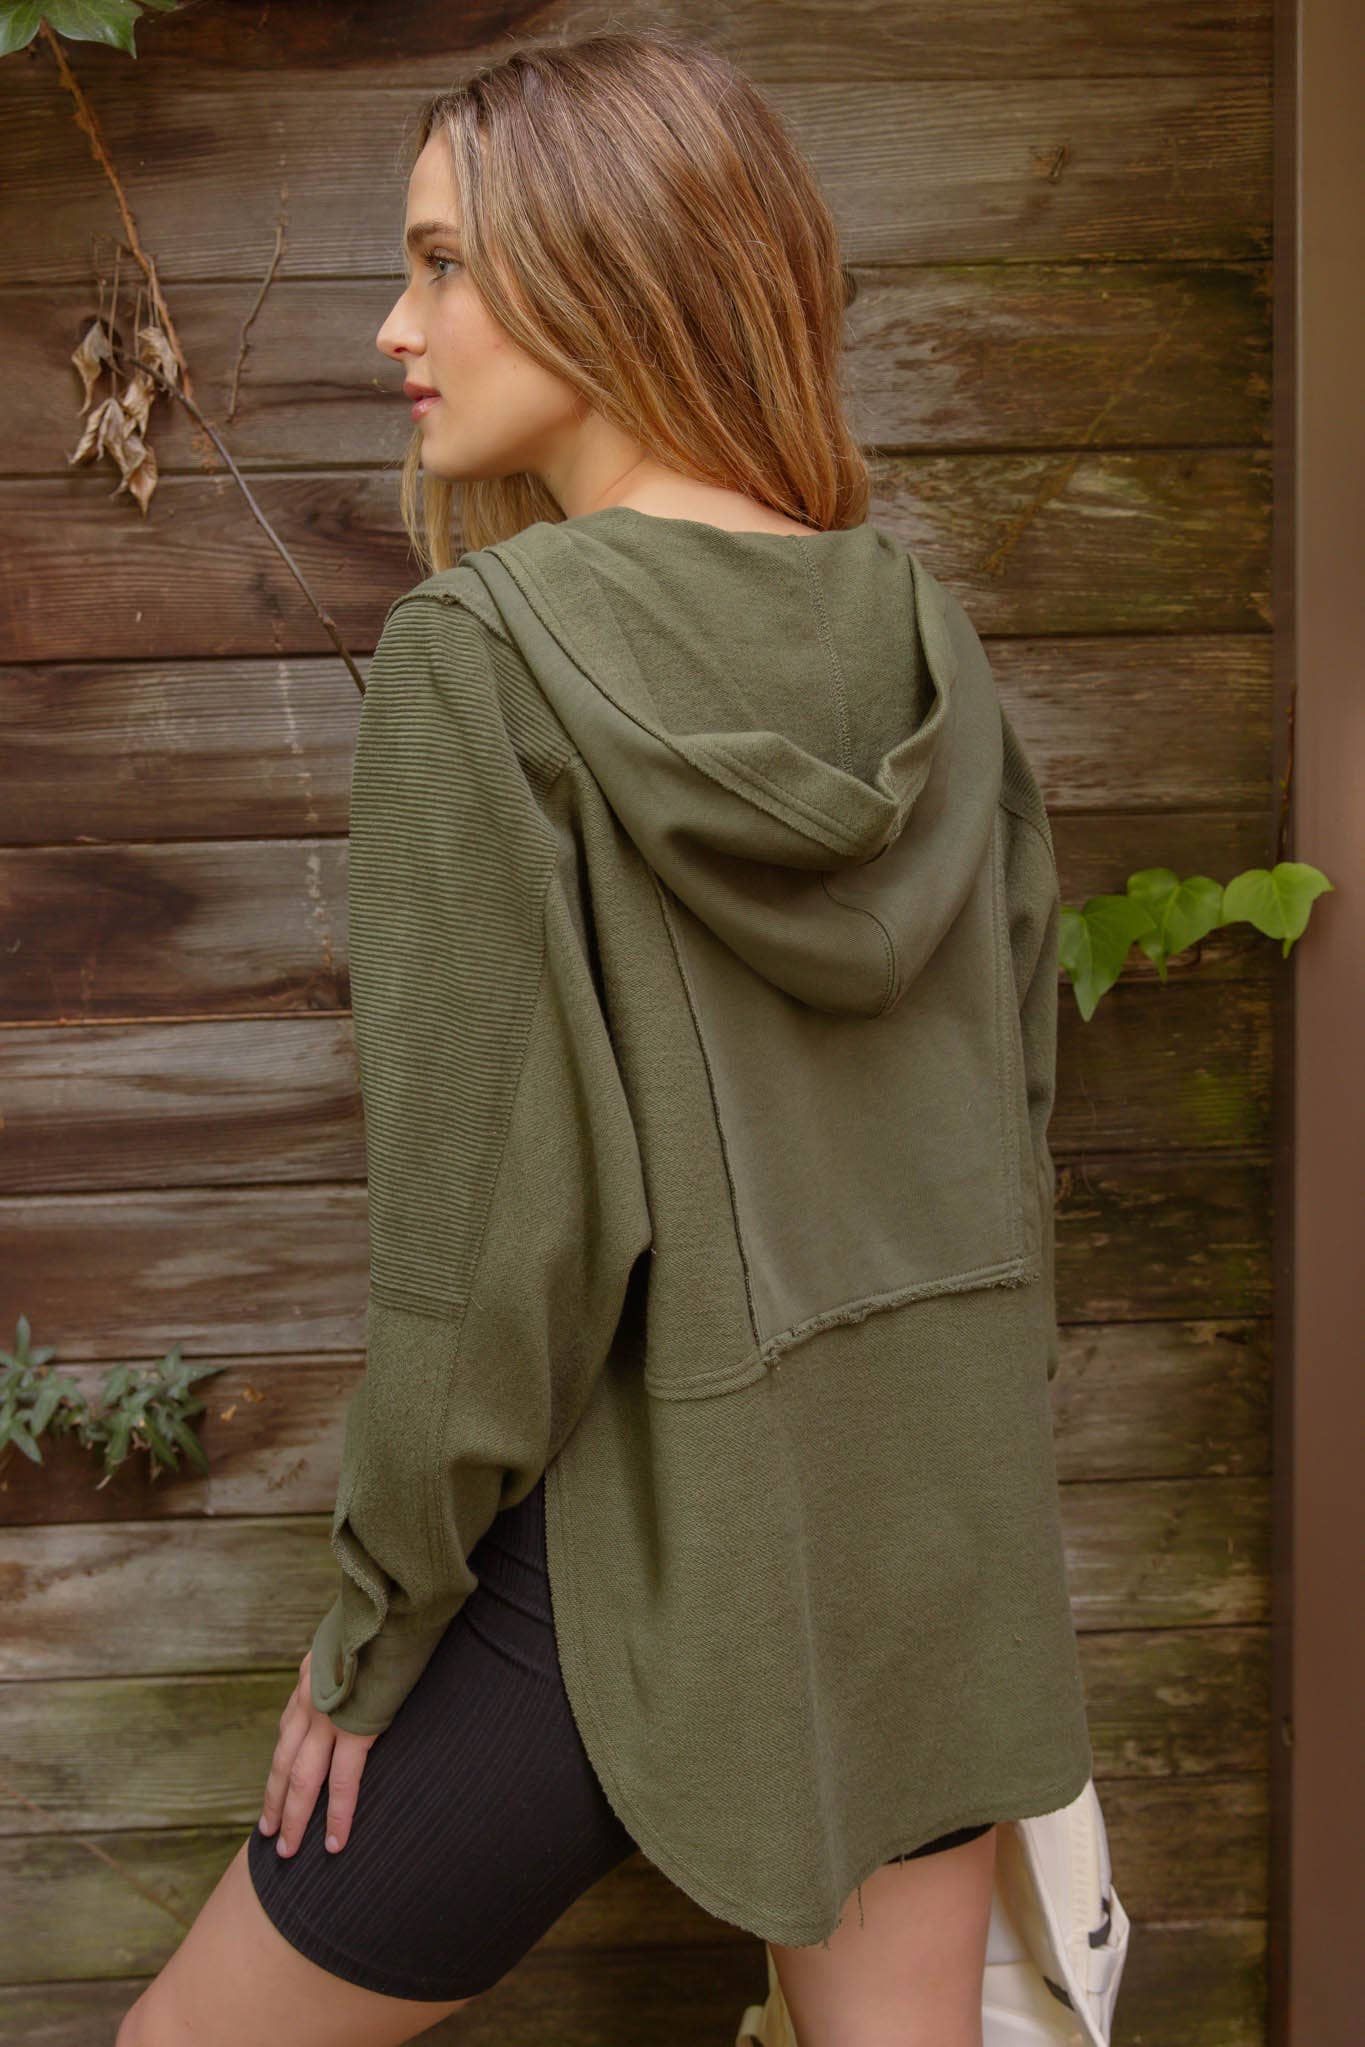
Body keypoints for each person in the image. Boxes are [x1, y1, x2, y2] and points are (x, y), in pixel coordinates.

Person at [117, 29, 1090, 2047]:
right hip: (925, 1540)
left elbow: (490, 1258)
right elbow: (1005, 1138)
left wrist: (376, 1623)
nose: (395, 326)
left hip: (636, 1559)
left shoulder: (478, 664)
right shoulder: (926, 639)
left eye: (442, 264)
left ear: (611, 265)